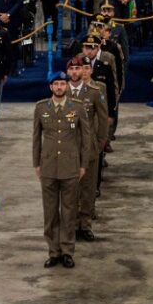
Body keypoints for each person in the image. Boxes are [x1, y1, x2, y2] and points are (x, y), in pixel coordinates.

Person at [33, 71, 94, 268]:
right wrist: (36, 163)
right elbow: (36, 138)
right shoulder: (41, 107)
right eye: (56, 84)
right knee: (50, 213)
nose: (59, 87)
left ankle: (67, 251)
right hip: (49, 166)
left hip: (70, 166)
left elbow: (86, 139)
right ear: (51, 87)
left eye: (62, 84)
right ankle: (53, 251)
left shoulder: (77, 107)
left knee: (68, 212)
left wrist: (84, 164)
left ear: (66, 86)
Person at [65, 55, 111, 243]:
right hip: (68, 148)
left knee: (88, 188)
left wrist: (100, 142)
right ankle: (72, 225)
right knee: (70, 188)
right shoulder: (62, 91)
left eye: (80, 69)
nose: (77, 72)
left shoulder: (93, 92)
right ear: (68, 72)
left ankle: (85, 224)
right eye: (73, 69)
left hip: (88, 148)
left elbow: (102, 118)